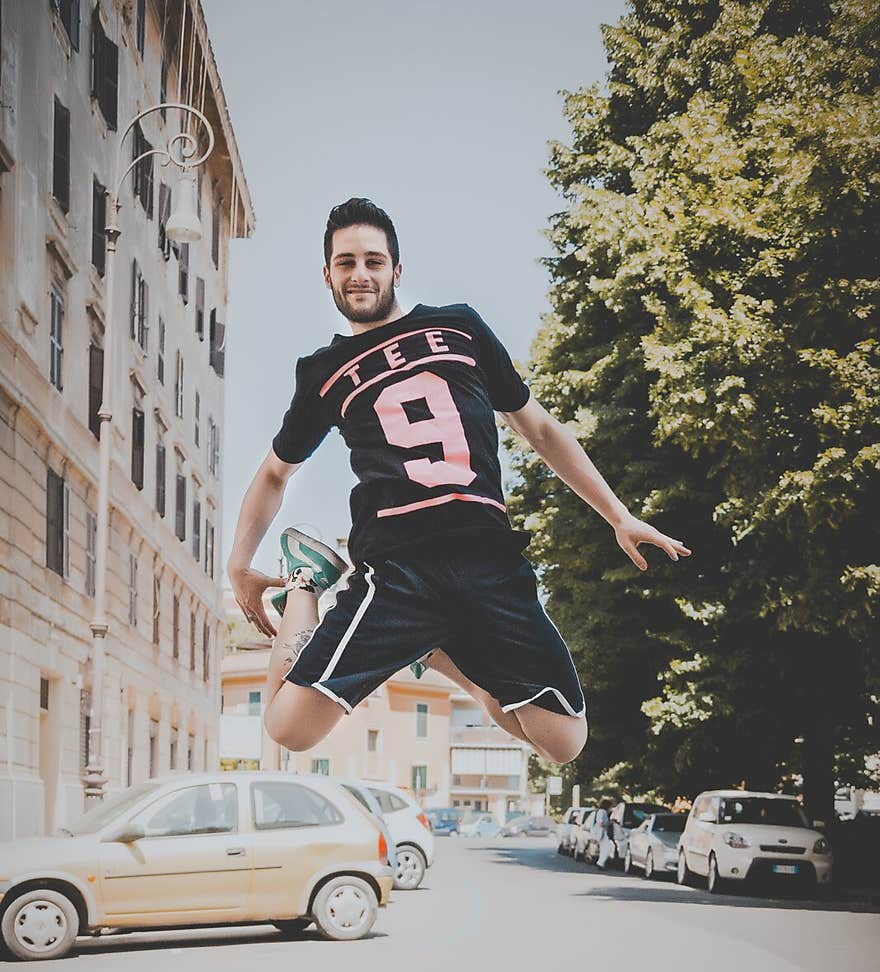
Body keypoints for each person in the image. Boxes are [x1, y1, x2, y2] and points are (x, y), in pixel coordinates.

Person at [228, 198, 690, 765]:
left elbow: (540, 428)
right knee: (289, 730)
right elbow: (275, 473)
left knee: (564, 743)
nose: (360, 274)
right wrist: (239, 563)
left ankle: (442, 650)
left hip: (489, 564)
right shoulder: (325, 371)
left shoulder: (460, 327)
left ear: (397, 270)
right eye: (345, 263)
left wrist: (619, 515)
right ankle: (307, 582)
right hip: (397, 571)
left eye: (373, 260)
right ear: (327, 275)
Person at [594, 800, 615, 868]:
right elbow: (601, 823)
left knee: (604, 848)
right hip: (602, 832)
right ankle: (600, 863)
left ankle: (601, 863)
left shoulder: (603, 812)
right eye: (610, 806)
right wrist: (610, 823)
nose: (610, 808)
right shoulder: (602, 812)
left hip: (603, 832)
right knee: (607, 848)